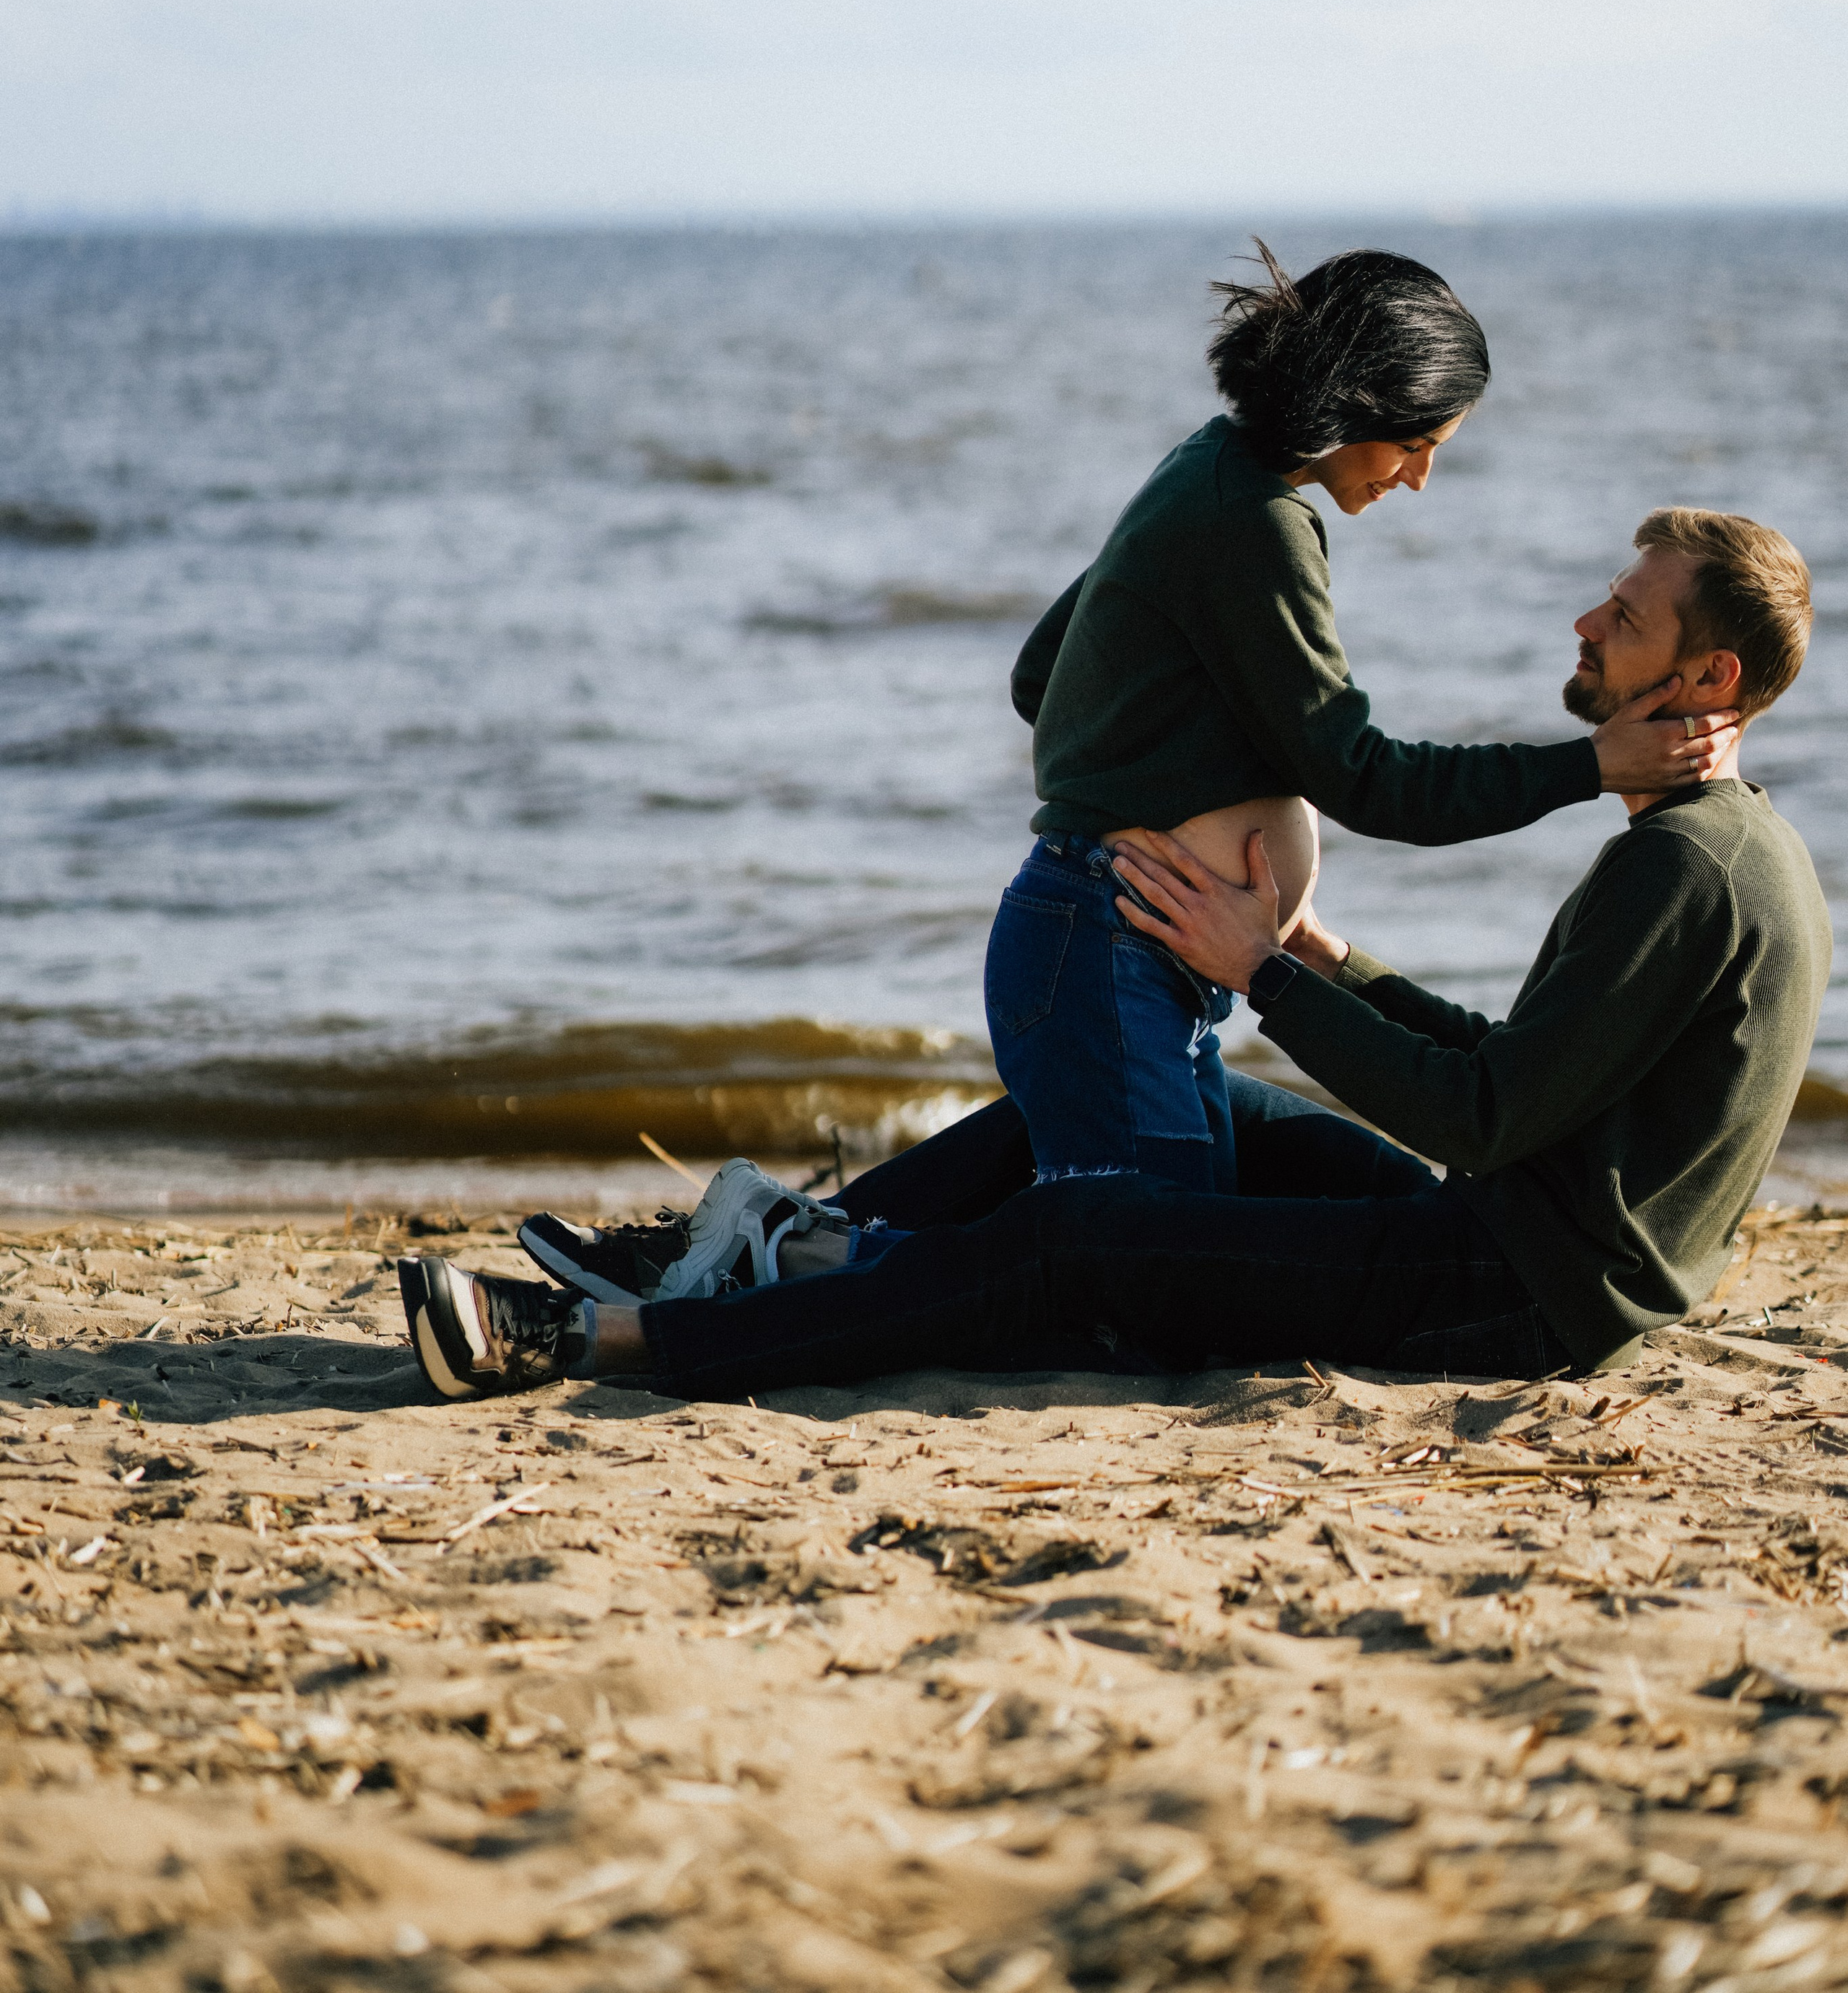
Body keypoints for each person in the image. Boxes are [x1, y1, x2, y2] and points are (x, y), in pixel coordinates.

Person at [400, 507, 1829, 1404]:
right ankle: (734, 1249)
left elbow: (1482, 1116)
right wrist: (1318, 953)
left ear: (1701, 682)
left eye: (1625, 618)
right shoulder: (1724, 845)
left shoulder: (1678, 868)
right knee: (1154, 1112)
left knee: (1086, 1231)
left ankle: (612, 1348)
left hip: (1517, 1293)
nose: (1586, 620)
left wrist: (1253, 973)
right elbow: (1521, 1070)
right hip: (1516, 1241)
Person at [984, 244, 1738, 1196]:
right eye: (1418, 444)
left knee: (1157, 1265)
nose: (1419, 478)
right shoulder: (1253, 522)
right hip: (1106, 936)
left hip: (1122, 940)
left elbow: (1040, 674)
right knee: (1139, 1282)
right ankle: (807, 1270)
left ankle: (809, 1251)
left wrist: (1169, 778)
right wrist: (1592, 765)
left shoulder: (1206, 471)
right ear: (1361, 402)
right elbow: (1367, 781)